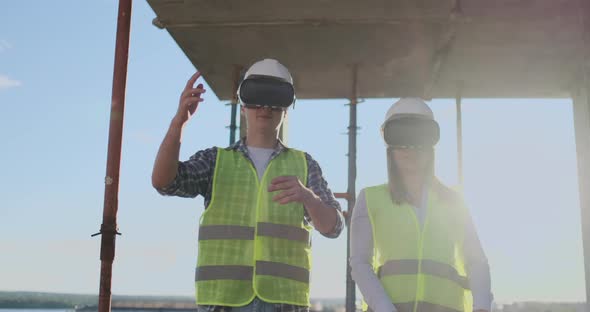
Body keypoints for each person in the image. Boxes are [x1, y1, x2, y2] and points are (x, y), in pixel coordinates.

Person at [152, 58, 344, 312]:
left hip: (284, 303)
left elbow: (334, 227)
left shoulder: (306, 165)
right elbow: (164, 182)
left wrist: (309, 198)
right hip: (223, 302)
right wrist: (179, 123)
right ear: (243, 105)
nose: (264, 107)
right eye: (256, 97)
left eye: (274, 99)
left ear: (286, 109)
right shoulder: (214, 160)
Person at [350, 98, 492, 312]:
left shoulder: (455, 201)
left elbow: (476, 261)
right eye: (401, 139)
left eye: (419, 138)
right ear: (389, 147)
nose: (410, 148)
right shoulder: (370, 199)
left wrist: (481, 306)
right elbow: (360, 264)